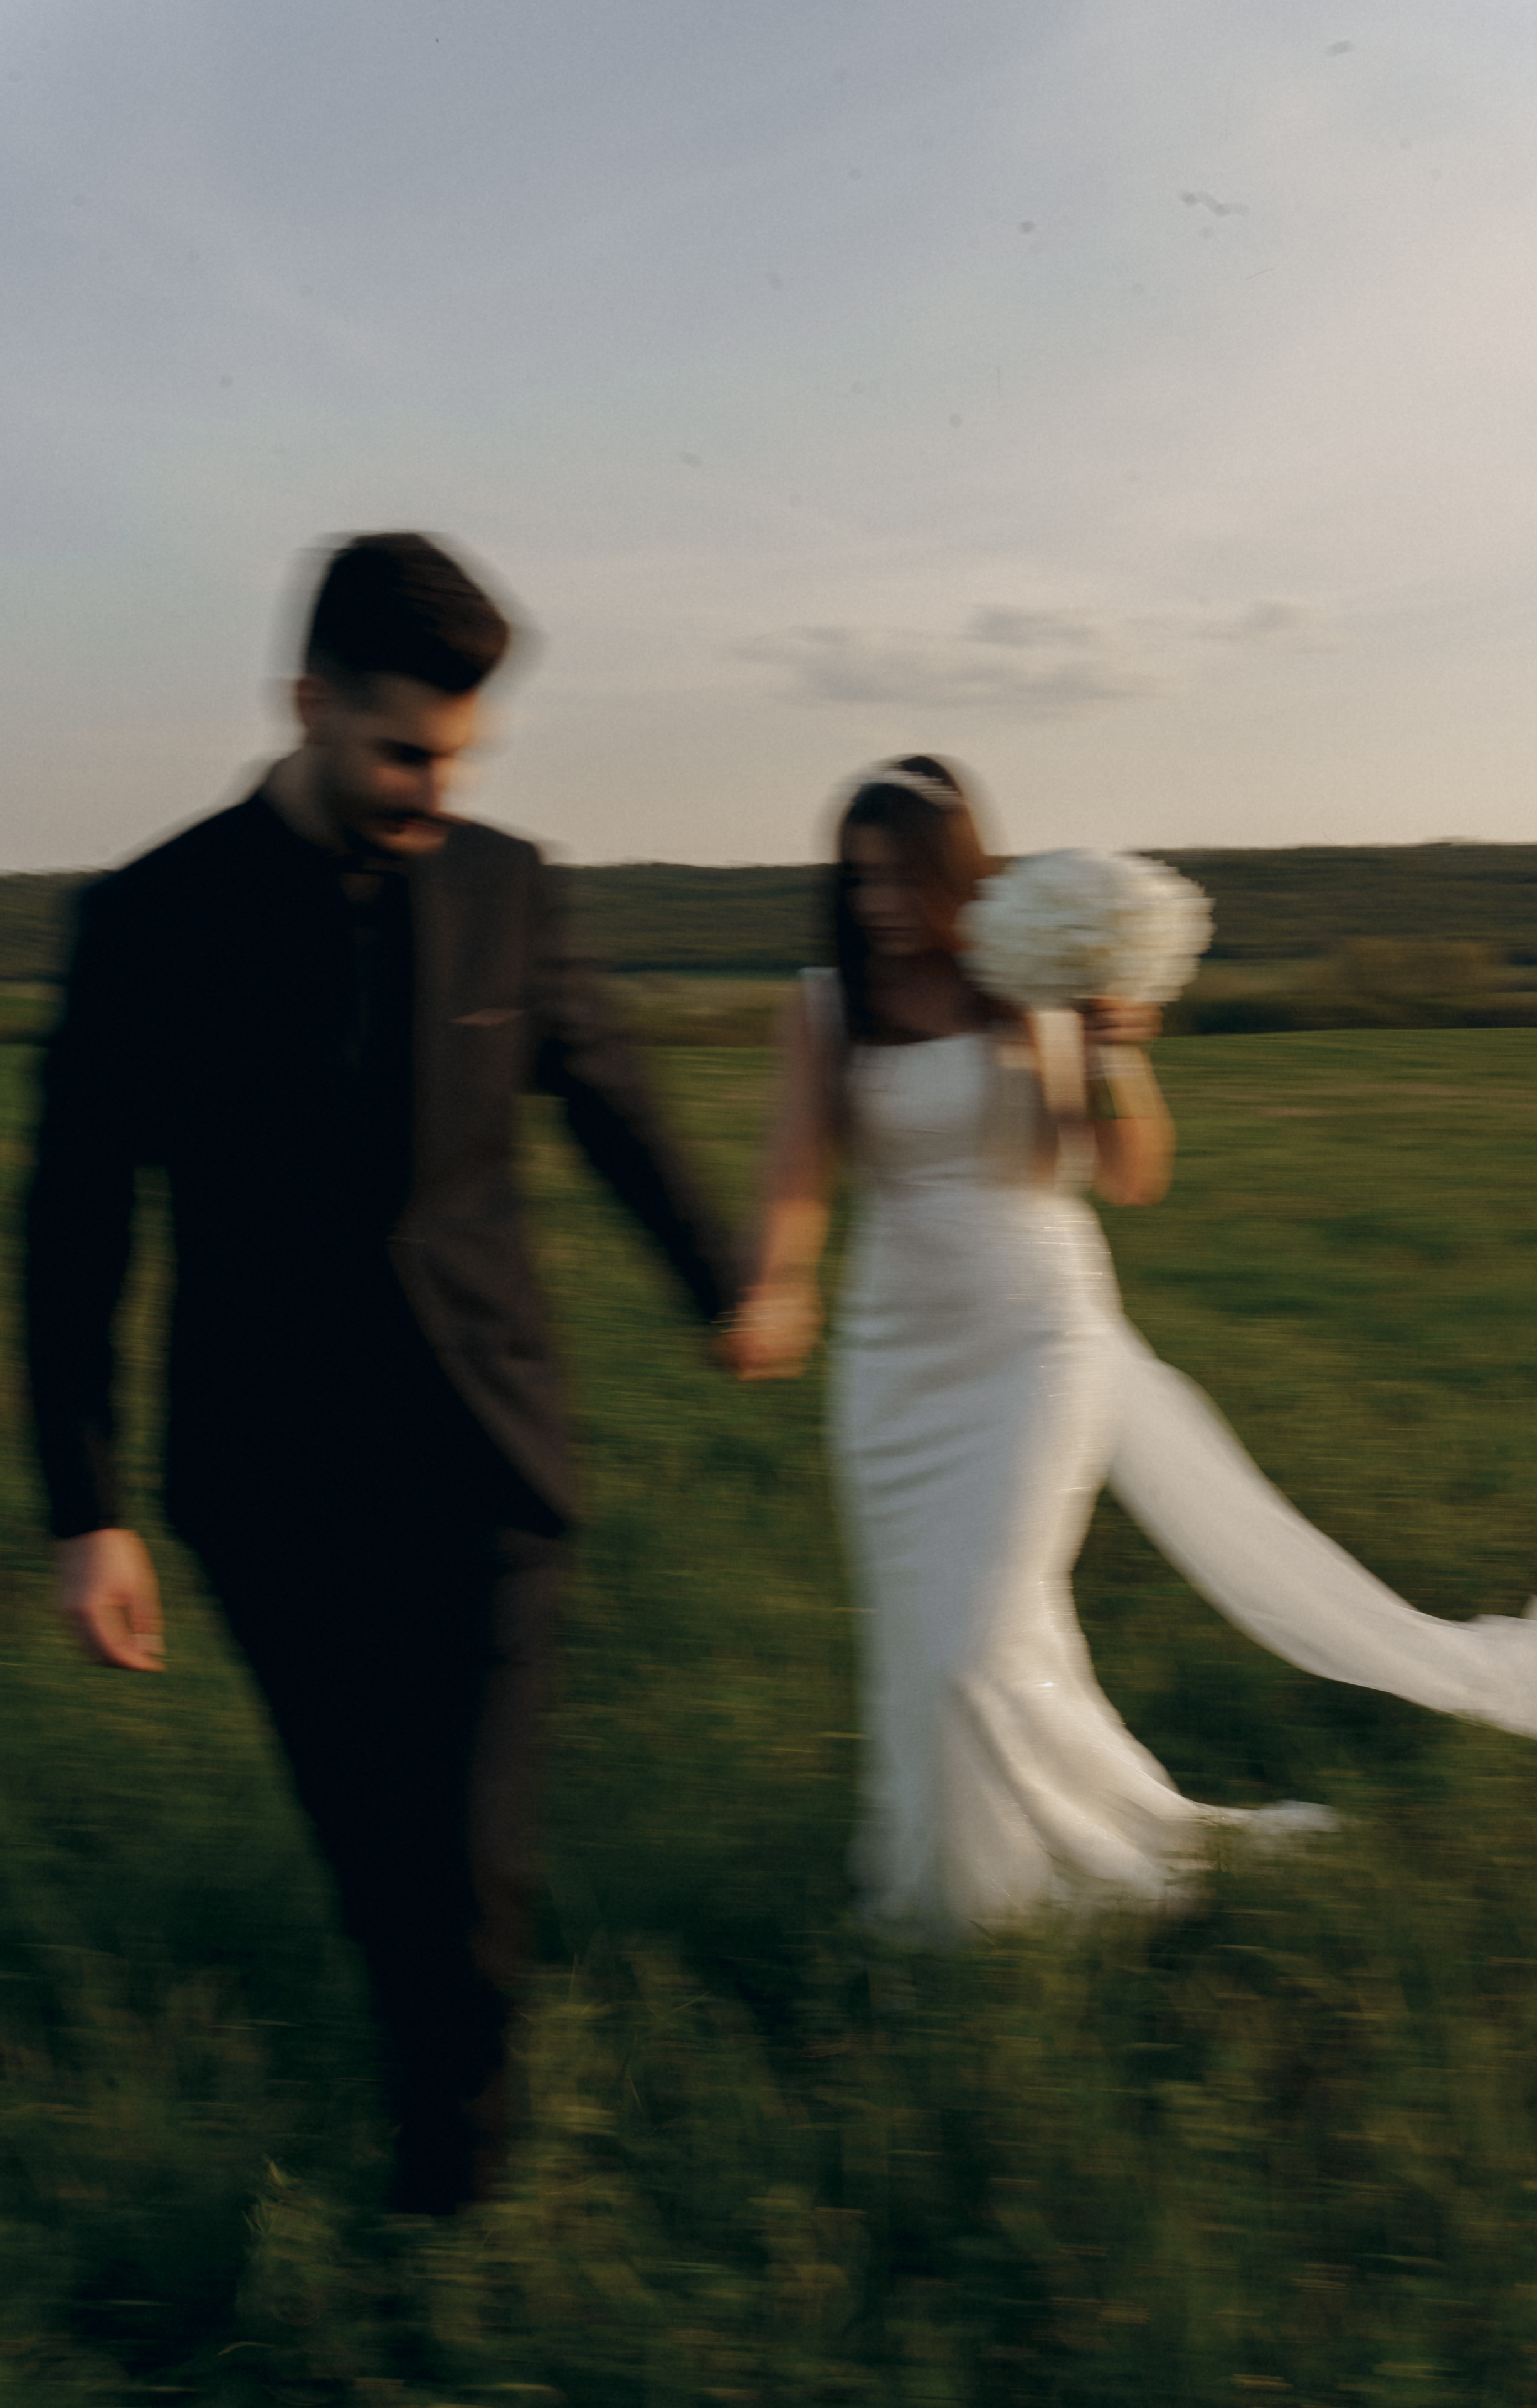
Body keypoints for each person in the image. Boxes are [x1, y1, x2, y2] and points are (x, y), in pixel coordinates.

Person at [25, 532, 739, 2212]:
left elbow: (614, 1093)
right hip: (265, 1477)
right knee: (376, 1854)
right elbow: (72, 1229)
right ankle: (439, 2102)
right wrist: (89, 1513)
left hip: (491, 1450)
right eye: (404, 752)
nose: (438, 788)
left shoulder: (509, 884)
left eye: (463, 757)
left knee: (471, 1858)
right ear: (306, 703)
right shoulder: (145, 922)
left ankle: (452, 2192)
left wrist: (724, 1284)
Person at [726, 756, 1537, 1939]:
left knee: (977, 1632)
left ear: (958, 878)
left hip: (1038, 1341)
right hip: (892, 1365)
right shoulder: (823, 1005)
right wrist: (778, 1287)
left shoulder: (1030, 985)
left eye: (900, 879)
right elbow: (795, 1178)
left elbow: (1135, 1178)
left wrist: (1112, 1048)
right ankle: (977, 1887)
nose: (877, 903)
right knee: (937, 1636)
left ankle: (1050, 1880)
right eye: (859, 879)